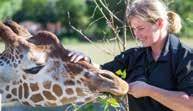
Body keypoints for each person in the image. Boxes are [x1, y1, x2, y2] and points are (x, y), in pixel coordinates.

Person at [68, 0, 193, 110]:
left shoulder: (186, 58)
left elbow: (190, 105)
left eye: (141, 28)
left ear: (159, 23)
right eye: (133, 29)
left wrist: (149, 91)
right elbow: (102, 72)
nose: (136, 35)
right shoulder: (133, 56)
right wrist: (85, 60)